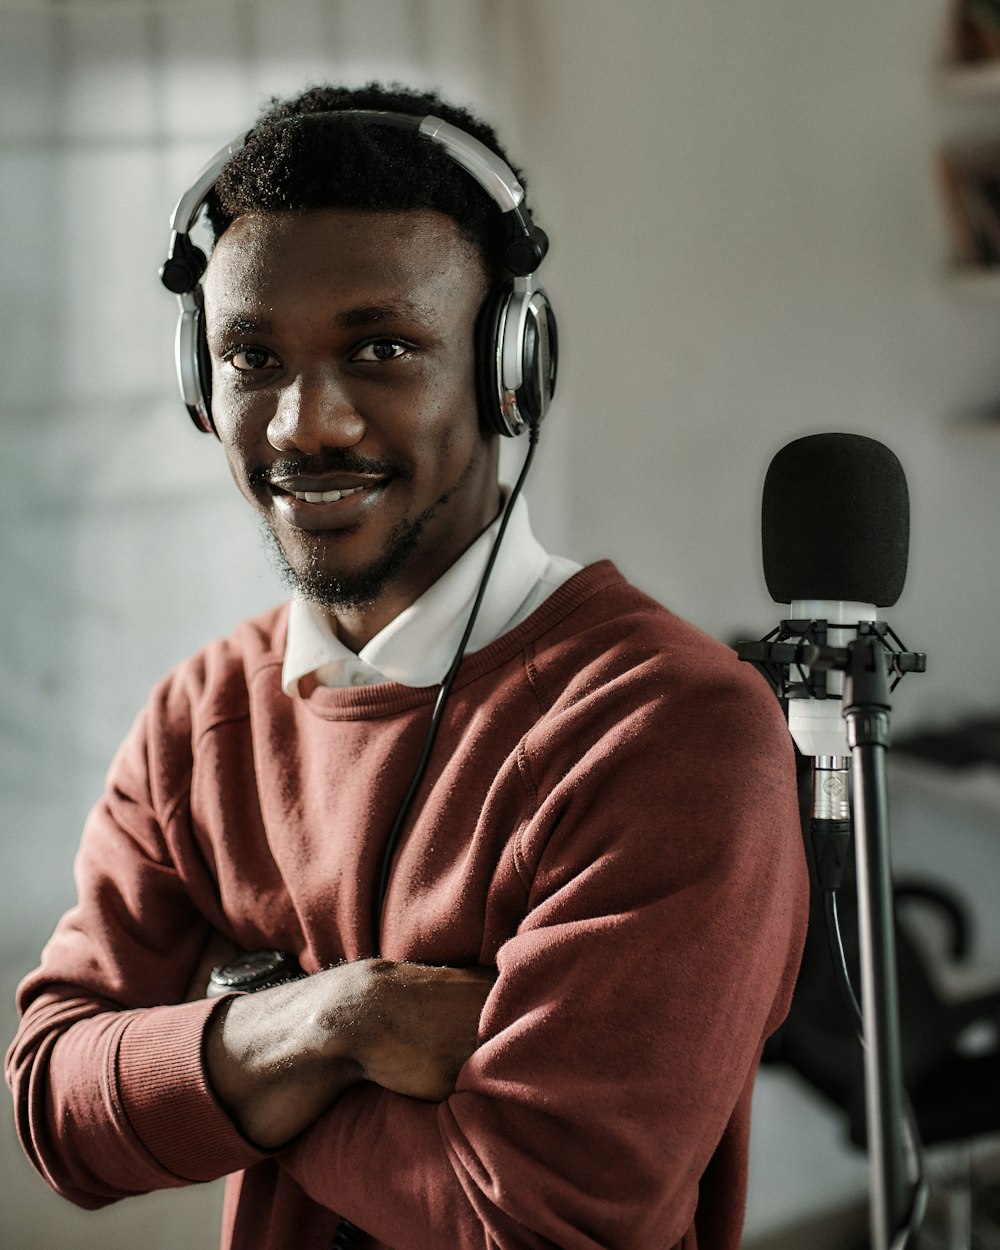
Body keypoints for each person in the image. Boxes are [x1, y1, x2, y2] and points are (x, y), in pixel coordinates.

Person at [6, 82, 808, 1250]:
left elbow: (534, 1225)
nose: (304, 423)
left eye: (382, 347)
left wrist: (221, 1049)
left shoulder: (670, 729)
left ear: (506, 369)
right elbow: (53, 1109)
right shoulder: (197, 717)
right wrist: (335, 1018)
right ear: (200, 379)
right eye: (253, 357)